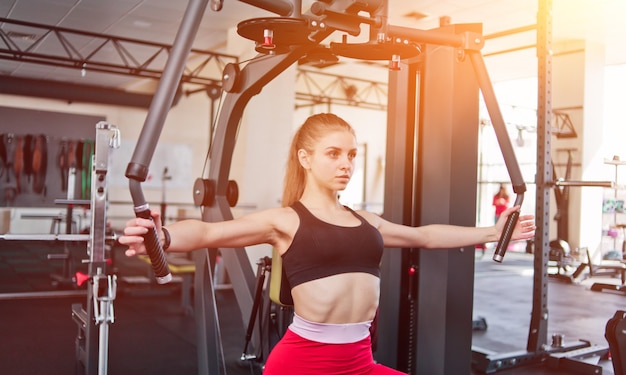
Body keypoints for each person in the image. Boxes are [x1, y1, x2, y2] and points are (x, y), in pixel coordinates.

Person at [119, 113, 535, 375]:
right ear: (306, 158)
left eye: (351, 155)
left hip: (360, 362)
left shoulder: (364, 220)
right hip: (304, 362)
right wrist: (164, 236)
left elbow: (425, 236)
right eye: (333, 154)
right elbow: (209, 233)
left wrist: (491, 233)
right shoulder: (286, 220)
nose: (346, 164)